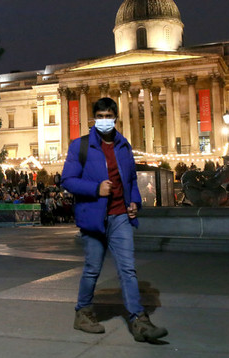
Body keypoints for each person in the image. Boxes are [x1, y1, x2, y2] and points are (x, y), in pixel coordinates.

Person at [61, 97, 167, 343]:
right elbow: (67, 180)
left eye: (108, 116)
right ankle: (83, 313)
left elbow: (131, 179)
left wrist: (134, 202)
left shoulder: (124, 145)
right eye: (100, 116)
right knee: (92, 269)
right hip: (94, 217)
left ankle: (139, 320)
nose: (104, 120)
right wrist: (95, 188)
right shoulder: (80, 146)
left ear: (115, 118)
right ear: (94, 118)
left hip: (120, 216)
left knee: (128, 269)